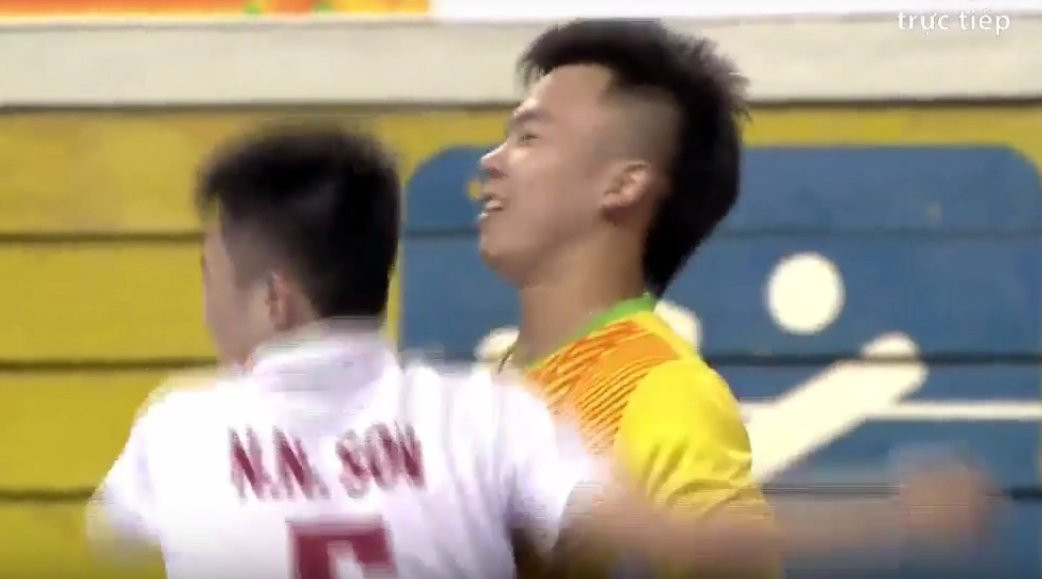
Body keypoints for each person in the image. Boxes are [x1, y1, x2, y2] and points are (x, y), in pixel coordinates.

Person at [86, 125, 991, 579]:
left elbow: (119, 530)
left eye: (212, 275)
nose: (207, 301)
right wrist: (896, 512)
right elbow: (685, 533)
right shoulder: (485, 413)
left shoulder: (176, 430)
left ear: (275, 295)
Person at [478, 18, 770, 575]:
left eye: (530, 137)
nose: (492, 160)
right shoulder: (501, 385)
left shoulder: (664, 392)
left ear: (624, 185)